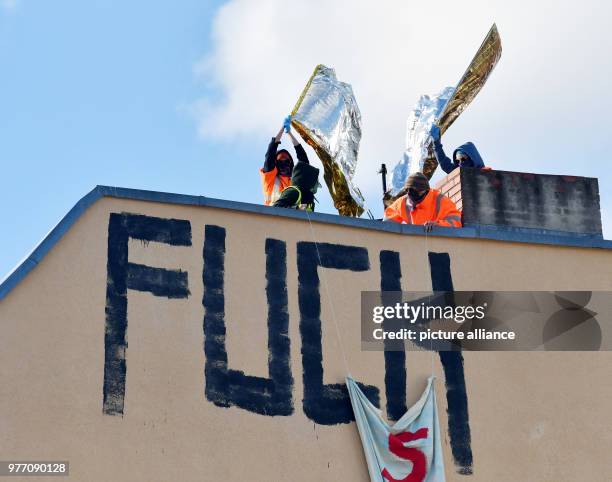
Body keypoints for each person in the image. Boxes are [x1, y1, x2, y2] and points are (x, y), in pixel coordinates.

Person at [383, 172, 462, 230]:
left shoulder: (441, 200)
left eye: (418, 191)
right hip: (417, 245)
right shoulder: (402, 203)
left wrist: (438, 225)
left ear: (426, 191)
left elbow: (456, 223)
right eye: (411, 191)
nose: (414, 194)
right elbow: (386, 225)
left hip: (438, 243)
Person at [261, 115, 310, 205]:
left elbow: (304, 161)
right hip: (272, 215)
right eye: (280, 160)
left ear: (290, 163)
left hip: (294, 217)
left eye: (286, 160)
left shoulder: (295, 181)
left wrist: (289, 133)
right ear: (276, 163)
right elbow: (270, 154)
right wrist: (282, 129)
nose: (284, 163)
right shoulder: (270, 180)